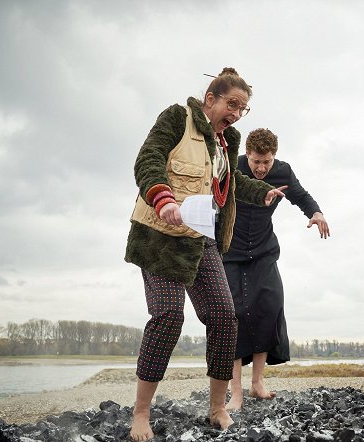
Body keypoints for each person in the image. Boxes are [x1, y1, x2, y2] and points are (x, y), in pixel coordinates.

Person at [123, 68, 286, 441]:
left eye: (242, 109)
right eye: (232, 104)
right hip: (160, 236)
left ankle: (216, 409)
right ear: (210, 98)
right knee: (167, 316)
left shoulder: (227, 140)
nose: (236, 113)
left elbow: (227, 184)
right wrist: (162, 197)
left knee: (225, 316)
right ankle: (141, 413)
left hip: (202, 239)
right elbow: (147, 159)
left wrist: (260, 192)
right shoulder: (177, 118)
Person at [223, 128, 330, 410]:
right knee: (233, 315)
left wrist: (316, 213)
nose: (261, 167)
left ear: (274, 157)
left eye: (266, 162)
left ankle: (257, 382)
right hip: (229, 251)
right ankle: (235, 392)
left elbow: (302, 196)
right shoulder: (232, 165)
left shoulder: (282, 172)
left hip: (263, 249)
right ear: (247, 153)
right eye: (256, 161)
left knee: (269, 306)